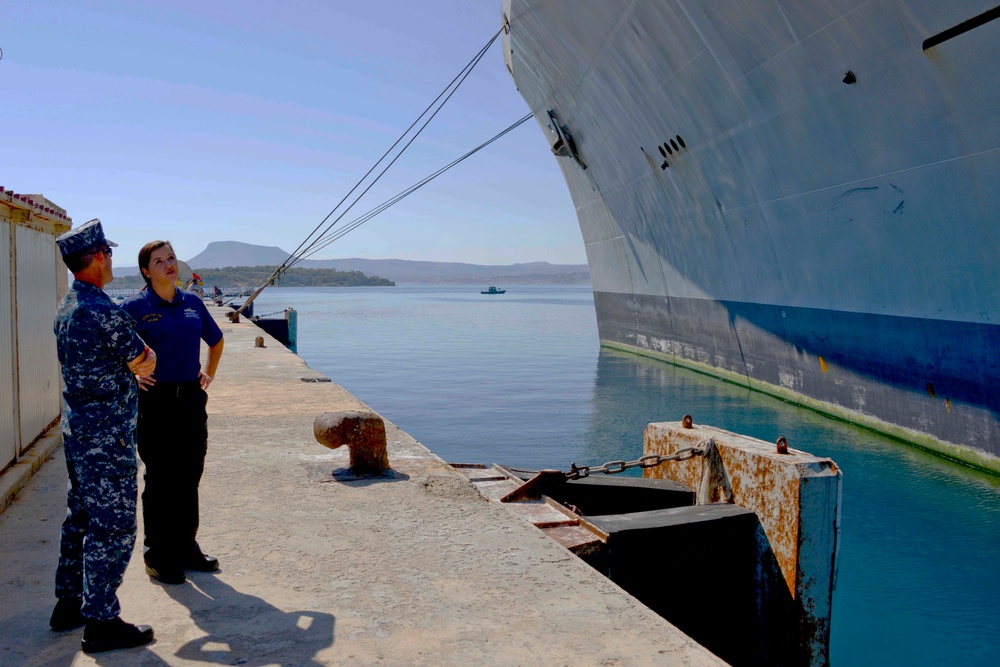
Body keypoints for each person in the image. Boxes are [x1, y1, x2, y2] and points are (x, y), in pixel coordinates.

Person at [50, 218, 157, 653]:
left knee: (81, 516)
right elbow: (145, 359)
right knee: (113, 527)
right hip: (106, 438)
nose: (112, 260)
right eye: (108, 253)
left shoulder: (68, 305)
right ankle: (101, 622)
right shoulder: (102, 310)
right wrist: (140, 360)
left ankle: (68, 604)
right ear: (97, 258)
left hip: (77, 432)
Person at [121, 241, 224, 586]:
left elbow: (216, 339)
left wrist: (208, 370)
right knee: (161, 478)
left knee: (190, 473)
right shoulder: (134, 306)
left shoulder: (192, 302)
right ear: (146, 271)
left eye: (170, 258)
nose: (168, 264)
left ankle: (186, 546)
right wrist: (133, 374)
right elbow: (113, 347)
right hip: (156, 402)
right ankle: (158, 555)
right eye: (158, 261)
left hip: (190, 399)